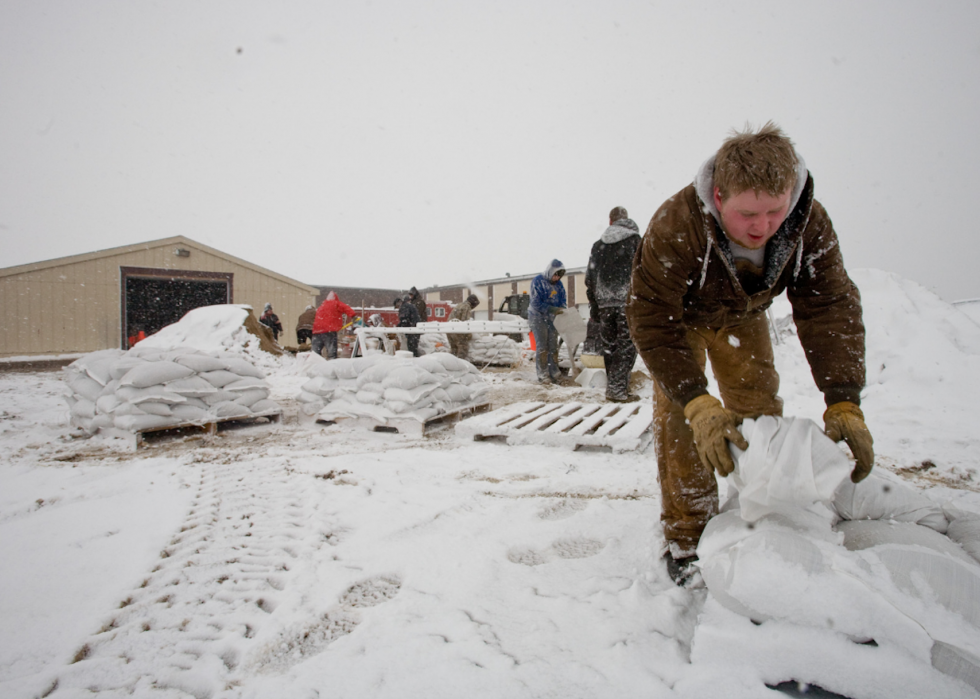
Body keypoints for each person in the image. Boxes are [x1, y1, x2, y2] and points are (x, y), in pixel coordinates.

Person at [626, 122, 873, 585]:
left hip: (743, 315)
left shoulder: (807, 223)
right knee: (686, 423)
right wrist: (697, 400)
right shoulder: (677, 223)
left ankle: (758, 511)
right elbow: (650, 314)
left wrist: (843, 397)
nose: (761, 227)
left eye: (774, 212)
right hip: (680, 320)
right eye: (746, 215)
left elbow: (828, 305)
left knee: (758, 411)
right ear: (719, 198)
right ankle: (688, 537)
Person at [586, 206, 642, 402]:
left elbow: (590, 278)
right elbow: (643, 272)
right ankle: (617, 389)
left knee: (610, 346)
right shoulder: (636, 242)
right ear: (626, 220)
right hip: (627, 301)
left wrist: (594, 305)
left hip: (604, 304)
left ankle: (617, 388)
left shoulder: (597, 246)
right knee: (627, 345)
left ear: (610, 222)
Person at [528, 259, 567, 384]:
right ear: (550, 272)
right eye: (555, 275)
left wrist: (561, 309)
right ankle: (543, 374)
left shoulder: (559, 285)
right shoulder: (538, 281)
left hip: (552, 318)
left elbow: (562, 300)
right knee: (542, 346)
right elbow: (535, 302)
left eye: (559, 276)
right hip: (537, 317)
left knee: (553, 346)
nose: (556, 278)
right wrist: (551, 308)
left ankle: (554, 373)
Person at [312, 291, 356, 359]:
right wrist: (353, 316)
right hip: (329, 330)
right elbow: (346, 308)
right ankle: (332, 364)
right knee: (331, 352)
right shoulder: (336, 303)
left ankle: (313, 365)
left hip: (317, 331)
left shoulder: (322, 306)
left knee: (315, 353)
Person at [447, 294, 480, 359]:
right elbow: (464, 321)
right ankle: (461, 364)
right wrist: (468, 335)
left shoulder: (459, 305)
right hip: (457, 330)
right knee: (463, 347)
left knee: (454, 349)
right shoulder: (467, 306)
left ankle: (451, 363)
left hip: (449, 329)